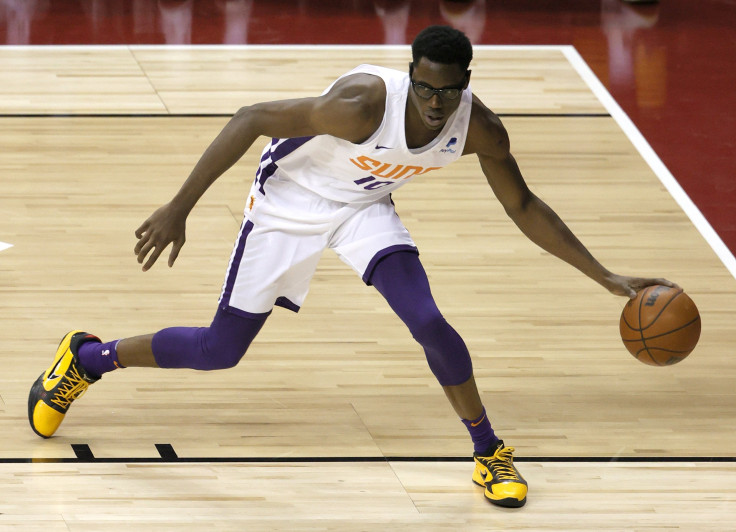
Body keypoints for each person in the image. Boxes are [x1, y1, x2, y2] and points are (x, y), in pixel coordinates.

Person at [28, 25, 674, 509]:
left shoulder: (480, 129)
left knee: (428, 320)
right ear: (410, 75)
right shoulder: (363, 103)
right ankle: (87, 359)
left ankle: (487, 450)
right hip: (288, 202)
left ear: (465, 85)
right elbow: (251, 118)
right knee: (220, 350)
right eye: (425, 86)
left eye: (448, 91)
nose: (435, 102)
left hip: (362, 206)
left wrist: (606, 277)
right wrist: (179, 207)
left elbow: (524, 205)